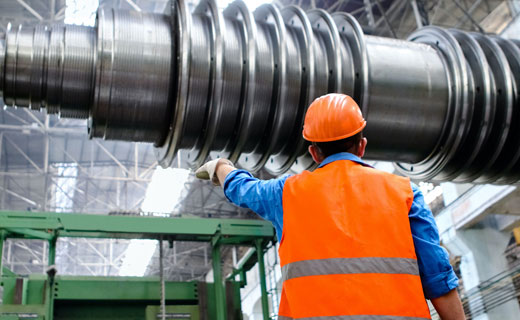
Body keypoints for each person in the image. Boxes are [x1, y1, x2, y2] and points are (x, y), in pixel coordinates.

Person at [196, 93, 465, 320]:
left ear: (313, 152)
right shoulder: (405, 193)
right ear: (362, 146)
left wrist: (222, 167)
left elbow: (241, 189)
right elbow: (439, 279)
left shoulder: (285, 194)